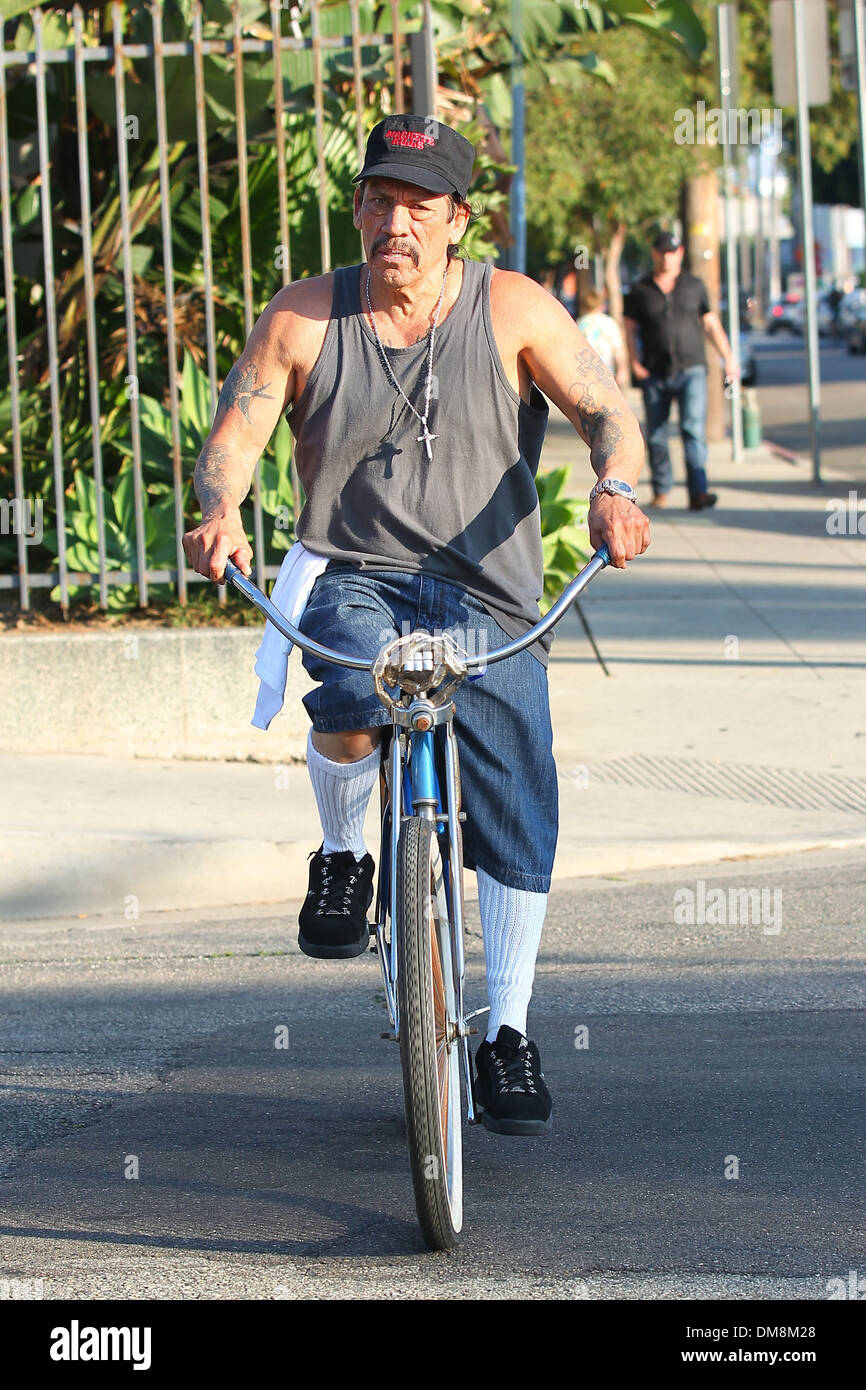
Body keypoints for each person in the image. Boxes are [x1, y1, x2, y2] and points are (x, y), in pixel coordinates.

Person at [182, 115, 650, 1138]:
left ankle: (508, 1034)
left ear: (456, 221)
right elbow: (241, 427)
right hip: (357, 572)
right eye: (380, 199)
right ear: (358, 208)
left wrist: (616, 486)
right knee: (347, 687)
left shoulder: (512, 305)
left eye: (419, 205)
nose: (396, 222)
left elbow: (604, 408)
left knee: (519, 786)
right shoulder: (304, 316)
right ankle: (346, 854)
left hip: (486, 595)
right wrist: (218, 508)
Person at [623, 229, 739, 510]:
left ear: (681, 253)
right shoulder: (640, 290)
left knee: (692, 429)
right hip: (654, 372)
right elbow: (628, 329)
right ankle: (662, 489)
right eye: (662, 251)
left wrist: (729, 358)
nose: (667, 257)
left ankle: (698, 492)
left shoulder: (694, 286)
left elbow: (710, 323)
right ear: (654, 254)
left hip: (692, 369)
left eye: (672, 252)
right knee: (657, 435)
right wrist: (634, 363)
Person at [577, 287, 630, 388]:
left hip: (585, 373)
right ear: (601, 305)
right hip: (606, 371)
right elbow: (618, 349)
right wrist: (622, 370)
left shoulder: (579, 323)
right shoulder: (609, 323)